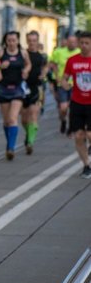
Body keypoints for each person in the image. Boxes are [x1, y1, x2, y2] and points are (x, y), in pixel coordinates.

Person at [0, 30, 31, 160]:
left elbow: (28, 64)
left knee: (12, 118)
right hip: (3, 88)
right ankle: (9, 143)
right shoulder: (0, 53)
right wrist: (0, 66)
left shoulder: (23, 53)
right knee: (6, 121)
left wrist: (25, 71)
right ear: (5, 41)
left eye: (14, 40)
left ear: (18, 41)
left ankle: (11, 148)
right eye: (9, 41)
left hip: (17, 89)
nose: (11, 43)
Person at [60, 31, 91, 178]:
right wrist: (65, 84)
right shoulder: (72, 61)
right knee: (79, 136)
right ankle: (86, 166)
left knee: (89, 134)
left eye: (87, 43)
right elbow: (64, 78)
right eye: (82, 43)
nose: (84, 46)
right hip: (77, 103)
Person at [21, 30, 47, 155]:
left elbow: (45, 67)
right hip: (23, 89)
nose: (32, 43)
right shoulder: (23, 54)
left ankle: (30, 143)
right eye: (30, 41)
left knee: (33, 114)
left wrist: (43, 74)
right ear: (27, 41)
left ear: (37, 41)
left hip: (36, 88)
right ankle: (28, 134)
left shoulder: (42, 56)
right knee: (24, 119)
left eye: (34, 40)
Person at [48, 33, 79, 135]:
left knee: (73, 108)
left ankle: (71, 127)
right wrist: (57, 77)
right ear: (67, 42)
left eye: (74, 42)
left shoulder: (79, 52)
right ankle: (63, 120)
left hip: (76, 85)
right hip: (62, 84)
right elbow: (53, 64)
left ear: (77, 43)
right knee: (63, 108)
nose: (72, 44)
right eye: (70, 42)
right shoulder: (59, 52)